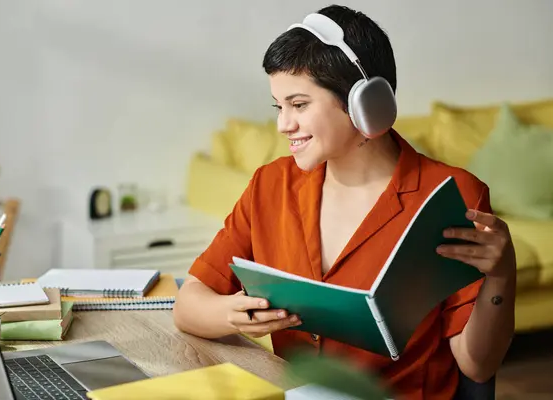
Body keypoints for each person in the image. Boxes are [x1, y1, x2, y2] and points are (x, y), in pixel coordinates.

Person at [173, 4, 516, 399]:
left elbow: (478, 365)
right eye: (279, 106)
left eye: (299, 105)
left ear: (365, 104)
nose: (284, 124)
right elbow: (189, 303)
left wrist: (502, 275)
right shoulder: (270, 184)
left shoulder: (452, 195)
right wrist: (231, 315)